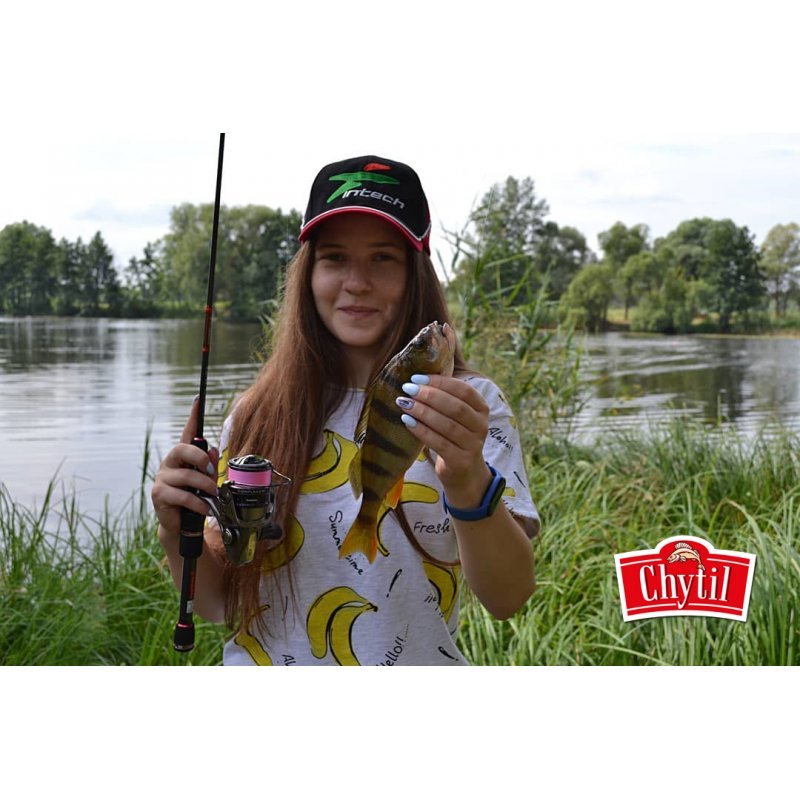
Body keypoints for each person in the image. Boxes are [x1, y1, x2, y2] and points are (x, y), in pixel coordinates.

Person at [152, 155, 540, 666]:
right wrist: (174, 528)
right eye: (335, 258)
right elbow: (220, 602)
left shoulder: (472, 406)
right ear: (309, 273)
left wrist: (468, 479)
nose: (357, 282)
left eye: (383, 258)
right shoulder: (256, 413)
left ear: (416, 275)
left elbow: (508, 599)